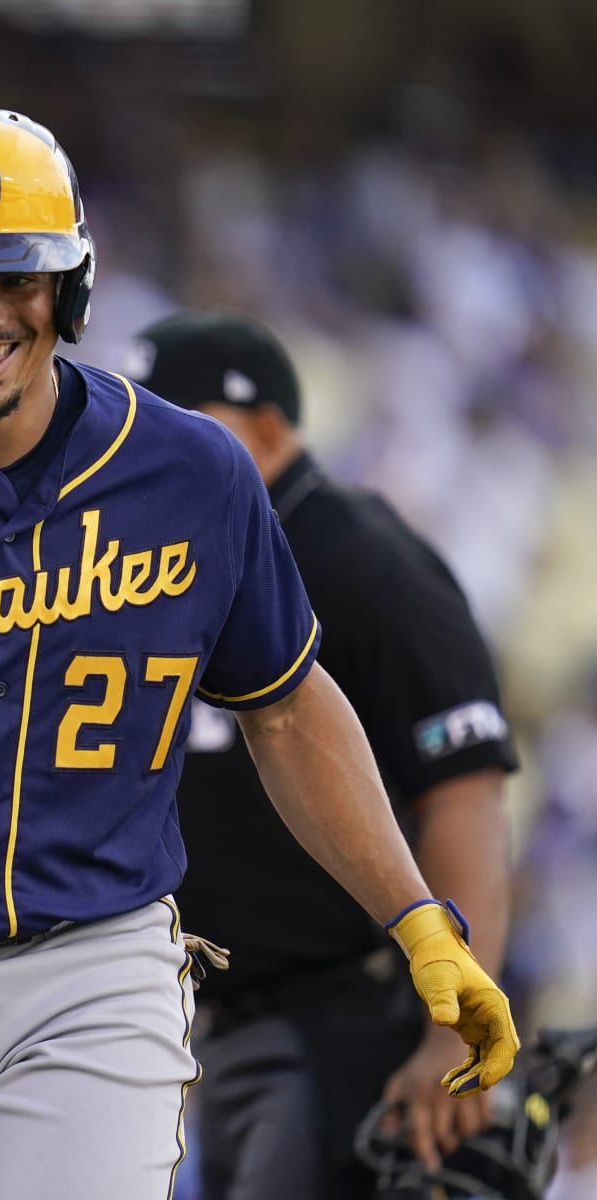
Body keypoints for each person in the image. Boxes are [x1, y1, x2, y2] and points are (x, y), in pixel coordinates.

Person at [0, 107, 520, 1199]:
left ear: (68, 286)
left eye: (17, 278)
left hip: (91, 967)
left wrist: (418, 921)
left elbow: (286, 705)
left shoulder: (190, 471)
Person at [123, 309, 519, 1199]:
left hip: (343, 1014)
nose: (151, 451)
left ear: (265, 429)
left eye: (180, 423)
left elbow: (466, 792)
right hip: (224, 1022)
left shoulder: (359, 558)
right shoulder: (183, 559)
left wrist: (443, 1037)